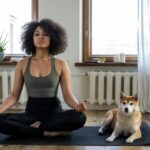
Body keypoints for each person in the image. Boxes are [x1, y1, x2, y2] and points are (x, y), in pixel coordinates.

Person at [0, 18, 86, 137]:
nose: (40, 37)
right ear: (31, 38)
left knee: (80, 117)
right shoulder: (22, 64)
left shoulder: (61, 64)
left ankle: (35, 129)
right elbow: (14, 96)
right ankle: (47, 132)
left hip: (54, 112)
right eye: (37, 34)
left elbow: (68, 95)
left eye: (45, 34)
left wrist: (77, 106)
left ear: (53, 38)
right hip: (31, 113)